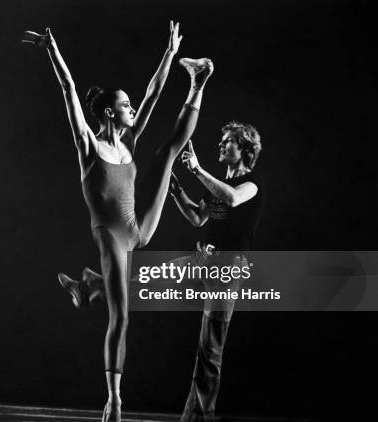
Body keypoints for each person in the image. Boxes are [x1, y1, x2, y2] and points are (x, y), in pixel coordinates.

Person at [23, 23, 213, 421]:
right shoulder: (89, 147)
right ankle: (114, 398)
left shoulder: (129, 143)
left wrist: (169, 52)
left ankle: (197, 83)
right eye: (125, 105)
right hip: (110, 234)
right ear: (110, 112)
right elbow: (69, 91)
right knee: (122, 315)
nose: (132, 109)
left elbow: (154, 93)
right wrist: (52, 51)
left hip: (138, 229)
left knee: (168, 153)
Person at [170, 122, 264, 421]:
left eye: (229, 142)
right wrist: (175, 190)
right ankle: (94, 285)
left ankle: (199, 417)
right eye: (222, 141)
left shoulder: (250, 184)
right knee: (147, 276)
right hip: (205, 262)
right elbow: (198, 218)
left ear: (245, 150)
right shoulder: (217, 189)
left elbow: (233, 199)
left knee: (209, 350)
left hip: (228, 271)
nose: (222, 145)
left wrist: (196, 170)